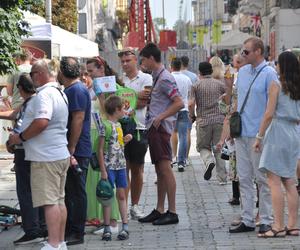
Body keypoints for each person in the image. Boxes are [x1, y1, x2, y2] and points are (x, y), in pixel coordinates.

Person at [9, 59, 70, 250]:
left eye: (34, 72)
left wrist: (21, 138)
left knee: (49, 202)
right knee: (59, 201)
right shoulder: (60, 92)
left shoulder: (44, 95)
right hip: (59, 153)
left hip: (46, 157)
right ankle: (59, 241)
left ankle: (53, 244)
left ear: (42, 74)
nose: (31, 76)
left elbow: (42, 121)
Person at [229, 37, 278, 234]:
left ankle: (266, 218)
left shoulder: (269, 74)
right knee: (245, 178)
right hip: (241, 133)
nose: (243, 55)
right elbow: (238, 101)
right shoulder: (241, 73)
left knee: (262, 179)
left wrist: (261, 134)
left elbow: (271, 107)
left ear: (258, 51)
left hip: (260, 134)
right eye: (242, 52)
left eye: (246, 52)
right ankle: (248, 219)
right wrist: (231, 129)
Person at [253, 51, 300, 237]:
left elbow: (269, 113)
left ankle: (278, 226)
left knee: (273, 181)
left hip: (278, 131)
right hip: (294, 132)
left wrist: (259, 136)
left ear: (282, 66)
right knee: (290, 180)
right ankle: (293, 225)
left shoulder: (277, 85)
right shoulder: (297, 86)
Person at [138, 43, 183, 225]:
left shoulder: (164, 78)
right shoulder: (157, 77)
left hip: (161, 129)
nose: (142, 64)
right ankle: (160, 208)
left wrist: (160, 117)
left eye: (143, 60)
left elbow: (179, 102)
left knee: (165, 169)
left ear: (150, 58)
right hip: (156, 129)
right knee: (160, 171)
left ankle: (172, 211)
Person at [0, 73, 46, 245]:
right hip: (33, 152)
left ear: (20, 88)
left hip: (26, 152)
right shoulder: (34, 100)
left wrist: (14, 140)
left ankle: (32, 230)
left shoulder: (31, 103)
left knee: (26, 191)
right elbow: (13, 114)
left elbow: (21, 126)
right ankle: (41, 226)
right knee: (37, 190)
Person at [58, 57, 92, 246]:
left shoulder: (76, 90)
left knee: (76, 192)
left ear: (62, 72)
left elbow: (78, 119)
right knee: (71, 192)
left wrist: (71, 148)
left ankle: (77, 232)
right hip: (76, 148)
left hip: (77, 150)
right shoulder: (74, 89)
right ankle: (72, 229)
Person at [85, 57, 120, 235]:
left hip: (102, 133)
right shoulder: (94, 85)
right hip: (94, 133)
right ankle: (101, 219)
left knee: (105, 179)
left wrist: (100, 96)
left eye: (91, 71)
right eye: (87, 71)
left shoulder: (107, 85)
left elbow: (110, 112)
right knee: (96, 179)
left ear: (101, 68)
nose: (88, 75)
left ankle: (112, 221)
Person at [118, 48, 152, 219]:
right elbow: (115, 103)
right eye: (122, 61)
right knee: (123, 169)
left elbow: (143, 101)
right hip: (121, 129)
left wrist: (128, 99)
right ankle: (123, 206)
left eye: (128, 61)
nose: (125, 64)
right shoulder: (119, 80)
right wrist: (134, 96)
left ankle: (135, 205)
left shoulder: (145, 78)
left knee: (137, 168)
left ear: (136, 61)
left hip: (139, 128)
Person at [98, 95, 132, 241]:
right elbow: (99, 149)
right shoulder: (104, 125)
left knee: (122, 195)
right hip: (109, 166)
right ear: (117, 109)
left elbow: (117, 144)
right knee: (107, 197)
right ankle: (107, 227)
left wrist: (125, 140)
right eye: (123, 109)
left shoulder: (119, 126)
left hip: (120, 165)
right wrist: (103, 170)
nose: (125, 112)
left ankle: (124, 225)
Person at [188, 62, 227, 184]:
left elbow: (190, 103)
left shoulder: (196, 86)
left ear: (199, 72)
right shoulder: (220, 84)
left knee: (202, 147)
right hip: (219, 120)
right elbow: (227, 98)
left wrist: (192, 115)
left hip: (203, 121)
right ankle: (222, 178)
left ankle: (209, 161)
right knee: (218, 148)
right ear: (211, 71)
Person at [170, 57, 192, 172]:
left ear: (171, 66)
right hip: (184, 108)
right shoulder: (187, 79)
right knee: (183, 135)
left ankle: (171, 157)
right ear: (181, 66)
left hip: (172, 109)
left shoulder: (169, 77)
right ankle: (181, 161)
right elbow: (188, 93)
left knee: (171, 133)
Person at [180, 56, 198, 166]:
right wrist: (193, 113)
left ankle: (175, 156)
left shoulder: (174, 75)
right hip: (188, 107)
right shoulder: (193, 76)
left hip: (176, 107)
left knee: (175, 133)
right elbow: (194, 96)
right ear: (188, 63)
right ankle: (185, 157)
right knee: (187, 133)